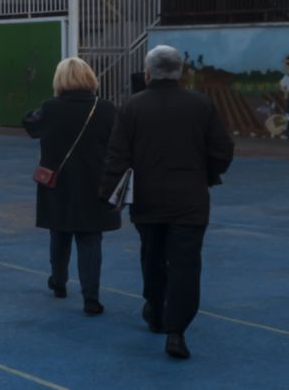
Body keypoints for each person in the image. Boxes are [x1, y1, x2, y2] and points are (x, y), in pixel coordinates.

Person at [99, 45, 234, 360]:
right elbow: (223, 150)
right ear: (181, 73)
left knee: (152, 257)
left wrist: (108, 193)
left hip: (148, 200)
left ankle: (155, 310)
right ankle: (177, 331)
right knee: (186, 265)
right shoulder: (201, 105)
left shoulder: (132, 107)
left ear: (147, 74)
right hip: (191, 200)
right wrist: (207, 173)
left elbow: (117, 155)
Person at [23, 57, 120, 316]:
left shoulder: (50, 107)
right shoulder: (107, 108)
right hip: (96, 181)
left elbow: (30, 125)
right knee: (90, 237)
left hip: (58, 182)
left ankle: (59, 281)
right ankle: (91, 296)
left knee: (60, 231)